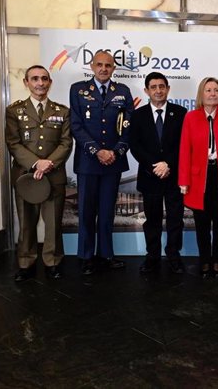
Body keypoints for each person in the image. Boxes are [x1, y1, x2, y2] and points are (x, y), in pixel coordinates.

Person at [5, 65, 72, 282]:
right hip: (26, 177)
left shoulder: (62, 111)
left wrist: (48, 163)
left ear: (50, 82)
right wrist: (36, 163)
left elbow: (66, 142)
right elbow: (13, 143)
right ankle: (26, 262)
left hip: (54, 176)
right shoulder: (14, 111)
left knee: (53, 224)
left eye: (44, 79)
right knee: (26, 222)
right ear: (26, 82)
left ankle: (52, 262)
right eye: (35, 79)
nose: (40, 83)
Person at [69, 50, 133, 275]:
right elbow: (76, 125)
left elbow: (127, 127)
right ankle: (86, 256)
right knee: (87, 211)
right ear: (92, 66)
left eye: (108, 65)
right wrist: (97, 151)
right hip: (88, 161)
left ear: (114, 68)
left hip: (113, 162)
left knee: (106, 211)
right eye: (99, 64)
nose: (104, 69)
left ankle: (106, 254)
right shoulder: (78, 89)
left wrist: (115, 152)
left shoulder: (122, 91)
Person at [179, 77, 218, 278]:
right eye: (208, 90)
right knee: (202, 223)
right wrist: (183, 180)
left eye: (216, 90)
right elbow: (184, 150)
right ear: (202, 93)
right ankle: (204, 260)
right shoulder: (191, 117)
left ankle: (217, 260)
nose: (213, 93)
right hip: (199, 178)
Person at [128, 72, 187, 275]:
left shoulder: (181, 113)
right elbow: (135, 146)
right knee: (152, 221)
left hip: (174, 176)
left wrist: (168, 164)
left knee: (175, 219)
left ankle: (173, 255)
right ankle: (152, 256)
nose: (158, 90)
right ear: (146, 91)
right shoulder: (137, 115)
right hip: (149, 176)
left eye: (162, 86)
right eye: (153, 87)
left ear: (168, 88)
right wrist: (155, 165)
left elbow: (184, 144)